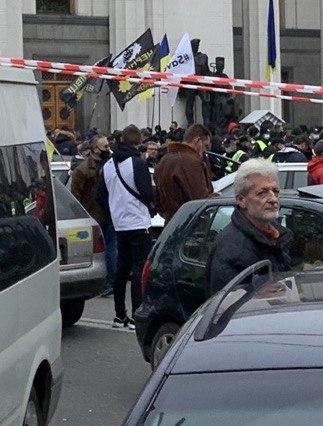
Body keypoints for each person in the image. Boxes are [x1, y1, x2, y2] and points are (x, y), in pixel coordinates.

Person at [96, 125, 156, 328]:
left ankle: (119, 314)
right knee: (139, 270)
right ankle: (138, 315)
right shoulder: (137, 164)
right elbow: (147, 193)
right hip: (139, 223)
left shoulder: (106, 166)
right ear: (138, 143)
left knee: (122, 270)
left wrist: (114, 211)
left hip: (120, 224)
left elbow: (100, 197)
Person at [206, 158, 293, 294]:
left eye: (275, 191)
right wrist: (259, 294)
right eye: (262, 193)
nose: (273, 199)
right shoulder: (229, 247)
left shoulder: (278, 236)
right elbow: (224, 303)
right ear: (241, 200)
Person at [69, 135, 115, 296]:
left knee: (111, 250)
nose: (108, 149)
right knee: (98, 252)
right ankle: (102, 281)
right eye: (104, 146)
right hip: (92, 216)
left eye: (108, 145)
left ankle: (110, 282)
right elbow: (76, 196)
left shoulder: (112, 166)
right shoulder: (82, 170)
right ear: (94, 149)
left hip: (110, 214)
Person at [153, 123, 214, 223]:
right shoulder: (191, 162)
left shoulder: (164, 160)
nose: (205, 151)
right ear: (197, 141)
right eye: (205, 146)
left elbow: (158, 201)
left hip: (170, 224)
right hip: (191, 226)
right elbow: (201, 201)